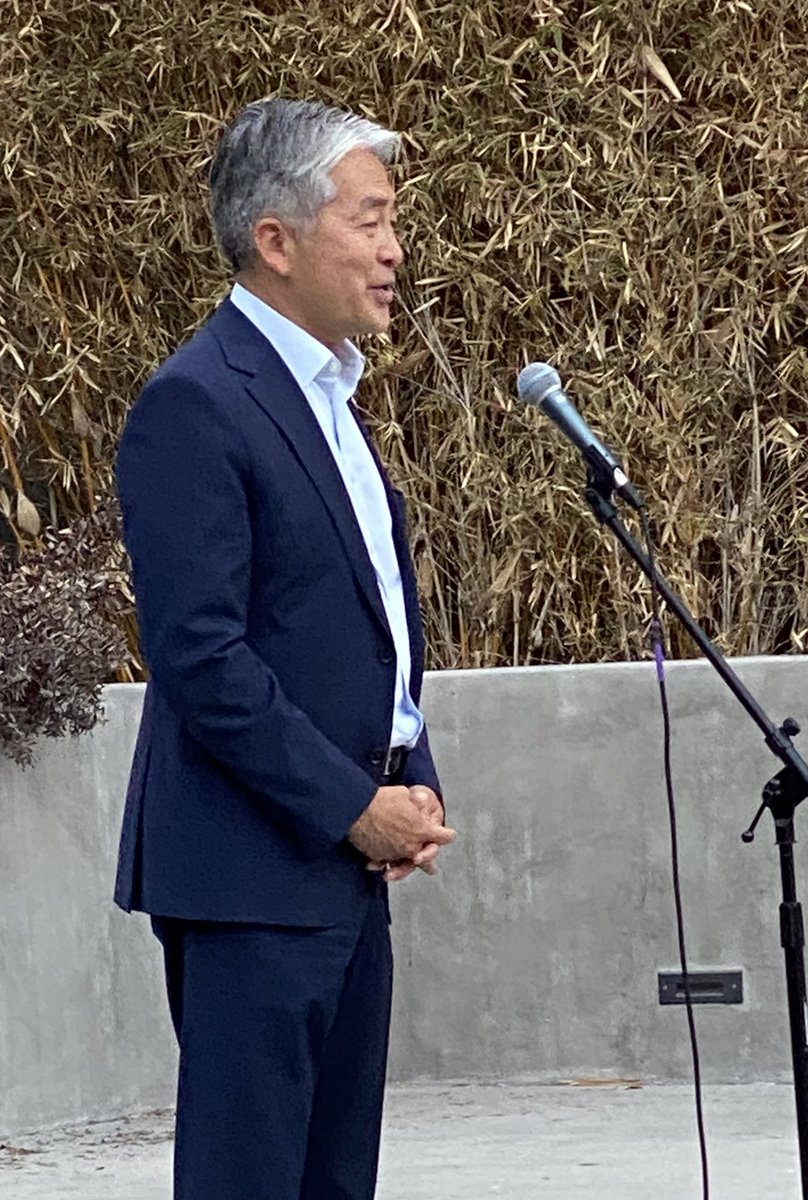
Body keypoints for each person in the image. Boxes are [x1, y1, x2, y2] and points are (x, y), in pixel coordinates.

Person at [113, 97, 456, 1200]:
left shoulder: (329, 400)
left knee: (331, 1183)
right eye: (371, 218)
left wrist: (408, 779)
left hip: (341, 873)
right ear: (277, 240)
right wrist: (350, 805)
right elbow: (202, 657)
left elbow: (358, 622)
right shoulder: (197, 405)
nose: (395, 249)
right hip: (249, 877)